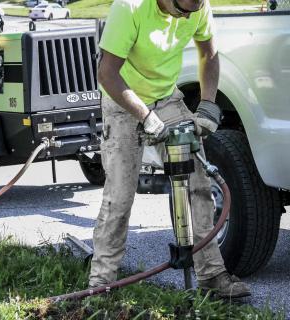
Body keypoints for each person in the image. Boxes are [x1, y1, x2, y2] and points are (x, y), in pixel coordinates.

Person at [89, 0, 251, 298]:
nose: (189, 16)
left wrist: (208, 106)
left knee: (199, 185)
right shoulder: (130, 8)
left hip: (166, 99)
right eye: (183, 10)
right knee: (120, 196)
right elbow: (107, 73)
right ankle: (101, 283)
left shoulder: (197, 5)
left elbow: (209, 54)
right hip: (122, 102)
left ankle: (212, 276)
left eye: (194, 9)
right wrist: (146, 117)